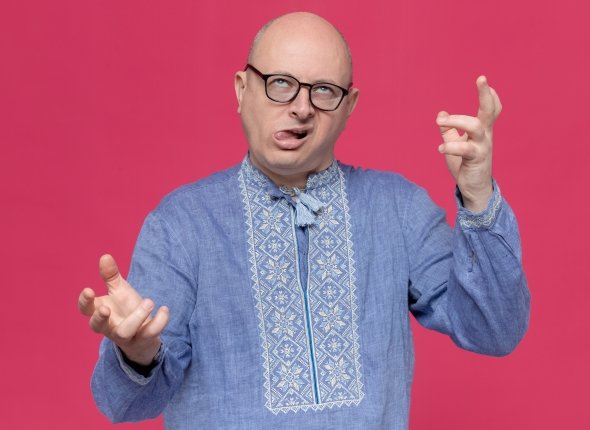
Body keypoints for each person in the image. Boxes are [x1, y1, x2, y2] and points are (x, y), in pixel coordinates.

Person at [78, 11, 530, 430]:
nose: (301, 107)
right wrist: (136, 353)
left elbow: (495, 330)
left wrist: (478, 194)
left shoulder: (398, 208)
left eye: (324, 90)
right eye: (280, 83)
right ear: (241, 89)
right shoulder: (181, 225)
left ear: (349, 106)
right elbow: (125, 404)